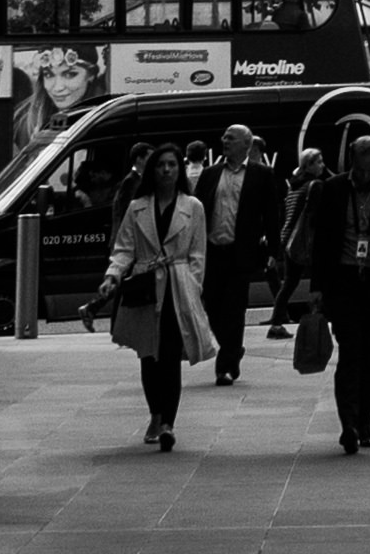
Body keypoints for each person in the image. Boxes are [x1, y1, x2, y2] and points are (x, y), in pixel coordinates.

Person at [291, 128, 370, 452]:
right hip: (343, 281)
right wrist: (317, 287)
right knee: (350, 352)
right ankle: (349, 423)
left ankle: (365, 419)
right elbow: (322, 239)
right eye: (361, 170)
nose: (366, 176)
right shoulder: (333, 188)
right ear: (351, 162)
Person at [105, 147, 217, 447]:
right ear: (152, 170)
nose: (167, 170)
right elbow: (124, 248)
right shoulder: (137, 207)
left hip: (177, 287)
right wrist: (112, 276)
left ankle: (168, 422)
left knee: (169, 356)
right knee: (148, 354)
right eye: (161, 165)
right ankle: (155, 413)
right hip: (145, 284)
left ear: (180, 170)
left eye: (172, 165)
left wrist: (193, 286)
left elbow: (198, 254)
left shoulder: (193, 206)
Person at [202, 130, 270, 389]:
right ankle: (233, 348)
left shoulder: (261, 174)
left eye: (230, 138)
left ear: (246, 145)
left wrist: (273, 251)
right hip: (211, 252)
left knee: (234, 309)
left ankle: (226, 365)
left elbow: (270, 214)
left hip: (240, 253)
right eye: (224, 137)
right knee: (212, 307)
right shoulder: (210, 174)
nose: (224, 141)